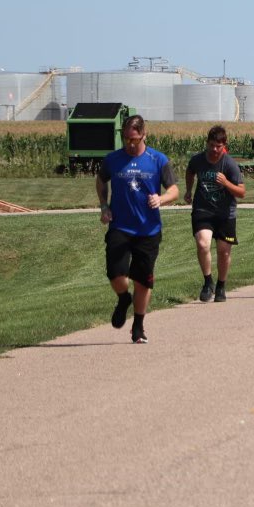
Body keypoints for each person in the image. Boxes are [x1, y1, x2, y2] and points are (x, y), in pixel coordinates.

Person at [96, 115, 179, 344]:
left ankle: (138, 326)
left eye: (134, 139)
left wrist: (161, 199)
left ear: (144, 135)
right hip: (120, 226)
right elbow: (101, 180)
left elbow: (174, 190)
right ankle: (124, 298)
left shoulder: (158, 160)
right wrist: (104, 205)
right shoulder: (113, 159)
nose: (130, 144)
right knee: (115, 273)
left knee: (143, 280)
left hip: (148, 230)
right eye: (126, 140)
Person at [185, 125, 246, 303]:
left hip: (225, 214)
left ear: (224, 146)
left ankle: (221, 285)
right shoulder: (198, 160)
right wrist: (188, 190)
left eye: (218, 146)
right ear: (207, 143)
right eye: (211, 145)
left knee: (223, 252)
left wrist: (226, 183)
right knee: (203, 244)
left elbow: (242, 192)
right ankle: (207, 282)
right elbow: (190, 171)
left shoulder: (230, 164)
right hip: (202, 210)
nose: (214, 149)